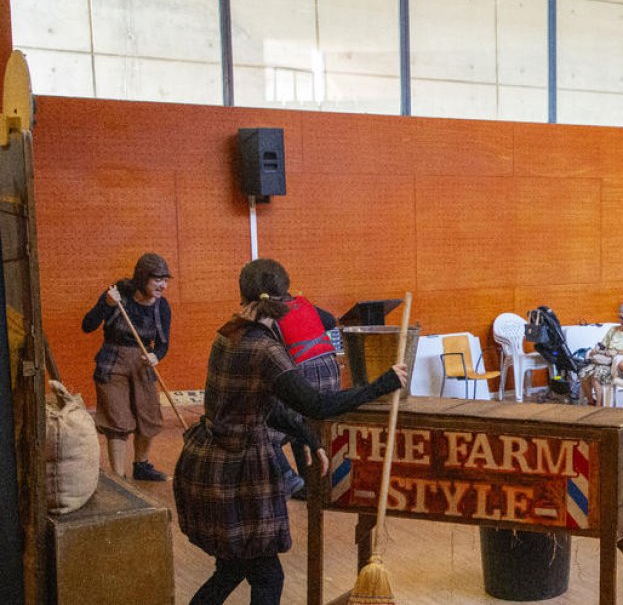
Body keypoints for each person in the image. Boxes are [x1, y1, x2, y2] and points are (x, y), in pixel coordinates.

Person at [174, 258, 407, 605]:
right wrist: (383, 384)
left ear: (243, 294)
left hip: (207, 464)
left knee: (231, 569)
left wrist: (308, 436)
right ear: (285, 303)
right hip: (239, 474)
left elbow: (257, 406)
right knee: (268, 578)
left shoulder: (227, 334)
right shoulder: (266, 349)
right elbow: (318, 404)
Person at [82, 252, 173, 481]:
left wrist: (156, 356)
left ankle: (141, 465)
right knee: (118, 420)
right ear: (142, 278)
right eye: (158, 279)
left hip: (143, 364)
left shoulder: (162, 307)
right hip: (112, 362)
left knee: (149, 416)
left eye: (165, 280)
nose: (163, 285)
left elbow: (163, 345)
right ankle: (118, 476)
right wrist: (106, 304)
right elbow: (87, 325)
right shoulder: (117, 295)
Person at [271, 286, 341, 499]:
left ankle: (290, 479)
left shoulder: (271, 314)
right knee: (301, 425)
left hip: (303, 379)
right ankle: (313, 483)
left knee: (262, 429)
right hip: (332, 379)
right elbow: (330, 320)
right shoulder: (304, 305)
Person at [578, 302, 623, 406]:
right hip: (603, 360)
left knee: (596, 377)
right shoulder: (613, 329)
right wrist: (596, 349)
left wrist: (616, 352)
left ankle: (599, 407)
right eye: (621, 318)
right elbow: (603, 344)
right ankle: (591, 402)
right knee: (583, 374)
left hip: (617, 365)